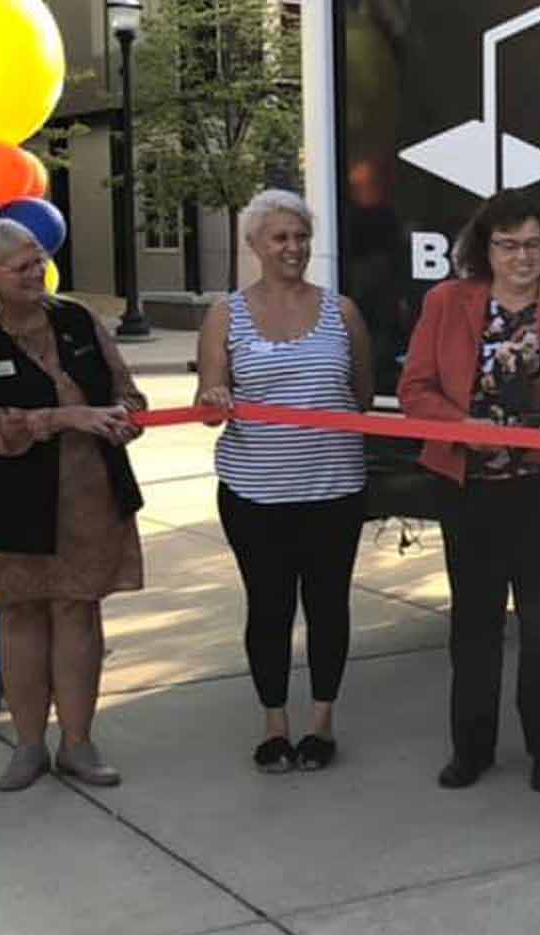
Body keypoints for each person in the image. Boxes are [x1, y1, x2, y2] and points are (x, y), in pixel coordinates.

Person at [398, 189, 540, 794]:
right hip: (469, 489)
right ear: (484, 247)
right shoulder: (447, 301)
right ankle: (472, 748)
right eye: (508, 244)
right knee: (474, 624)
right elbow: (415, 390)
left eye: (534, 245)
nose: (522, 257)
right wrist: (464, 428)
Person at [0, 219, 145, 792]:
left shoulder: (77, 319)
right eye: (21, 265)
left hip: (88, 498)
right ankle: (29, 746)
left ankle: (78, 744)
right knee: (22, 612)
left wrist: (124, 417)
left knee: (78, 611)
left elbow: (127, 392)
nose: (37, 271)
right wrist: (61, 419)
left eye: (38, 259)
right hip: (6, 501)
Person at [194, 189, 376, 773]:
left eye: (300, 236)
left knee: (328, 606)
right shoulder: (226, 313)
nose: (293, 247)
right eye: (280, 237)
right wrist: (216, 397)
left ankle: (321, 724)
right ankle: (275, 725)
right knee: (269, 608)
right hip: (255, 493)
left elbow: (363, 395)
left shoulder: (342, 312)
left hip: (334, 490)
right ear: (254, 245)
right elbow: (209, 399)